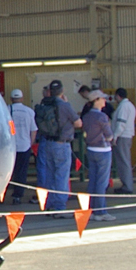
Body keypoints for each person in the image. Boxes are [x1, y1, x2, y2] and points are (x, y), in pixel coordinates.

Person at [34, 79, 80, 213]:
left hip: (47, 142)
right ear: (62, 91)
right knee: (61, 175)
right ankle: (60, 207)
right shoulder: (65, 105)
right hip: (62, 144)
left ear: (50, 92)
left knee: (49, 175)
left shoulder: (44, 104)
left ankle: (49, 204)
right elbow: (78, 123)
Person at [83, 90, 117, 222]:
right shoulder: (102, 117)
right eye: (102, 98)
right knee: (101, 182)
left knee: (92, 180)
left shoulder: (86, 117)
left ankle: (91, 209)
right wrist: (110, 138)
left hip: (91, 149)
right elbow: (109, 135)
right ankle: (101, 211)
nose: (104, 101)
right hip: (103, 150)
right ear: (96, 100)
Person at [7, 88, 35, 205]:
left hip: (10, 147)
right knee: (21, 172)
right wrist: (30, 143)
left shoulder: (7, 110)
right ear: (22, 98)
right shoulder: (29, 111)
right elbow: (33, 130)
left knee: (8, 172)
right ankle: (17, 196)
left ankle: (1, 195)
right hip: (24, 146)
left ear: (11, 99)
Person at [111, 87, 136, 194]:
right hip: (127, 135)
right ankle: (127, 184)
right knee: (124, 160)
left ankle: (127, 186)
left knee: (123, 161)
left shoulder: (123, 107)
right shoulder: (130, 106)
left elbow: (121, 123)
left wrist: (115, 136)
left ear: (118, 96)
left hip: (122, 136)